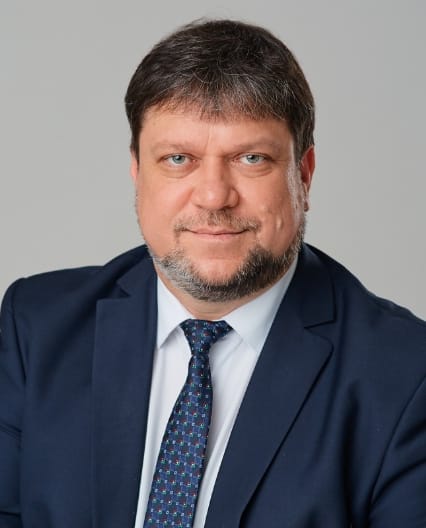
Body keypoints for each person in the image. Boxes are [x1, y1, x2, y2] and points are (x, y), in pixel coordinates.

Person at [0, 18, 425, 528]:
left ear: (304, 174)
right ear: (137, 172)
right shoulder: (37, 327)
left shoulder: (407, 377)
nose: (214, 196)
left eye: (251, 158)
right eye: (178, 158)